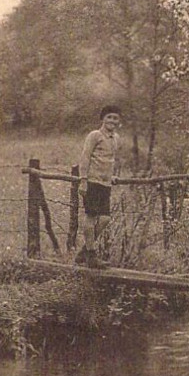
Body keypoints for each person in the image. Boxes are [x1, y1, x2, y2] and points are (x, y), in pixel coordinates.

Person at [74, 105, 122, 268]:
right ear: (102, 119)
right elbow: (86, 156)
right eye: (109, 117)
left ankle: (85, 251)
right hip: (92, 181)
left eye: (115, 118)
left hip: (105, 183)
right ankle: (92, 256)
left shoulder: (116, 138)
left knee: (105, 219)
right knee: (91, 217)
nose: (112, 121)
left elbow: (110, 160)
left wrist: (112, 175)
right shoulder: (95, 135)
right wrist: (83, 179)